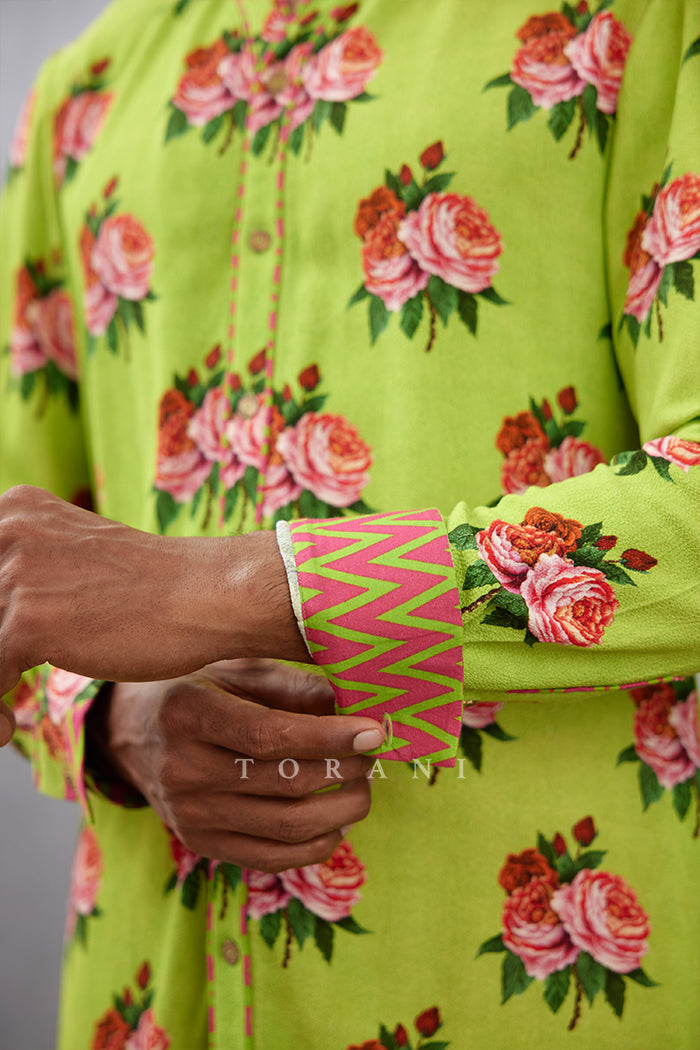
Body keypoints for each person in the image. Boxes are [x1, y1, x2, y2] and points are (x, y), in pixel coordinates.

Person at [2, 0, 700, 1047]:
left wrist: (231, 590)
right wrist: (108, 719)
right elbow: (26, 556)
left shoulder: (642, 19)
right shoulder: (84, 94)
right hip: (148, 991)